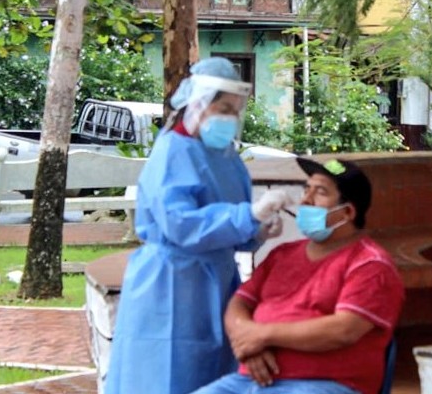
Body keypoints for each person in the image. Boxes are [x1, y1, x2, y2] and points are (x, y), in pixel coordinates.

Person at [104, 57, 293, 394]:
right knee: (165, 377)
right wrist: (247, 217)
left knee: (214, 377)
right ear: (199, 103)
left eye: (235, 110)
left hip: (217, 283)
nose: (230, 118)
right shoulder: (172, 152)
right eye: (224, 107)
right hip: (171, 283)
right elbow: (180, 225)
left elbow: (228, 223)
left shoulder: (224, 156)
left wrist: (257, 230)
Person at [192, 157, 405, 394]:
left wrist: (263, 335)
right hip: (249, 381)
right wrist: (249, 345)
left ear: (347, 212)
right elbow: (239, 303)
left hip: (325, 384)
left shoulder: (370, 265)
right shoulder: (281, 255)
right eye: (307, 189)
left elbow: (343, 330)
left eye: (320, 192)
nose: (305, 200)